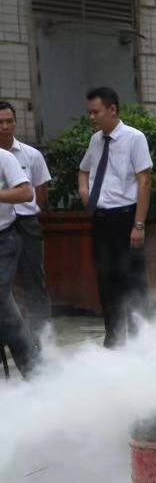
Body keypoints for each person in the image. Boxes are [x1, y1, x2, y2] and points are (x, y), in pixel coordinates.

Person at [79, 87, 152, 349]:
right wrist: (85, 192)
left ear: (112, 109)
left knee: (132, 280)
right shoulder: (96, 140)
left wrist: (139, 225)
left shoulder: (134, 138)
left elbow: (144, 181)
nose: (92, 117)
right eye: (89, 112)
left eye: (96, 112)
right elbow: (83, 170)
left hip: (126, 218)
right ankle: (113, 338)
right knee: (106, 280)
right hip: (101, 219)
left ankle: (141, 340)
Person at [0, 102, 52, 341]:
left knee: (33, 278)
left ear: (16, 123)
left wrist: (30, 210)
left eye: (9, 121)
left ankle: (42, 338)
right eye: (0, 122)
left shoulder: (31, 155)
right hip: (2, 226)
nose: (5, 127)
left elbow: (40, 191)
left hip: (26, 222)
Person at [0, 143, 37, 377]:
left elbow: (26, 193)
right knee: (4, 306)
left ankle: (33, 368)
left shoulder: (3, 157)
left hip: (3, 239)